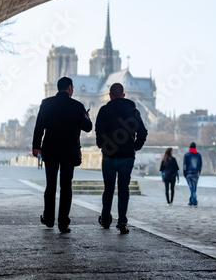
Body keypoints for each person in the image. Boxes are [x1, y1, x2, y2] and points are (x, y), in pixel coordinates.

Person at [32, 77, 92, 234]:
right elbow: (88, 127)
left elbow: (39, 127)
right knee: (66, 186)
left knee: (50, 185)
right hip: (69, 152)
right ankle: (63, 222)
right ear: (70, 88)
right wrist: (85, 116)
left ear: (58, 88)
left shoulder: (46, 103)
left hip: (50, 150)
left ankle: (49, 219)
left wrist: (36, 146)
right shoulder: (77, 106)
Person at [95, 83, 148, 234]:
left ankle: (105, 219)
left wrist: (102, 145)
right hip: (127, 156)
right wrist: (135, 147)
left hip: (109, 155)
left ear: (110, 95)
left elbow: (99, 131)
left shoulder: (104, 110)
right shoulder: (133, 111)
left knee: (109, 189)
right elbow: (143, 132)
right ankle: (122, 222)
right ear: (124, 95)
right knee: (123, 189)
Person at [183, 142, 202, 208]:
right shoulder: (198, 155)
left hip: (189, 173)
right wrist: (199, 172)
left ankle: (195, 202)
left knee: (192, 188)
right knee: (194, 188)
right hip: (196, 173)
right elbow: (200, 165)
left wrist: (184, 173)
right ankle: (191, 201)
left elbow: (185, 165)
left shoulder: (187, 155)